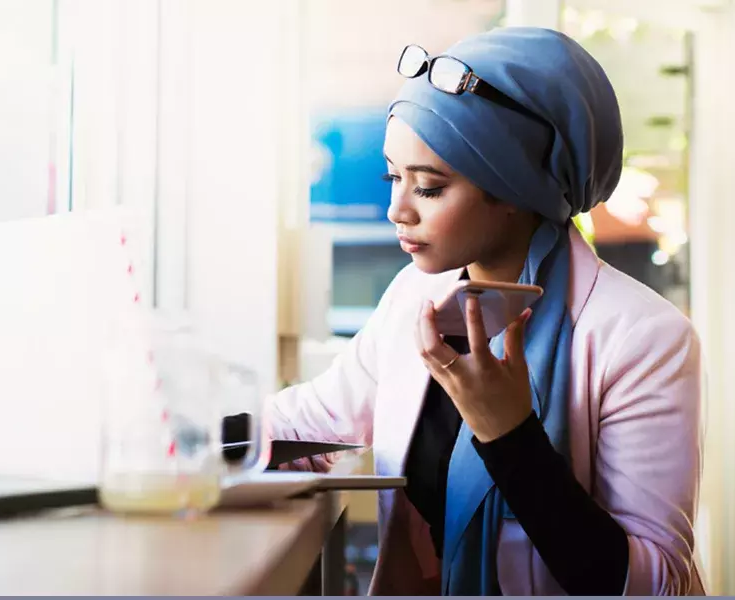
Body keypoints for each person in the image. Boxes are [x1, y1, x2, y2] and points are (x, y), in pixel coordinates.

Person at [265, 27, 704, 596]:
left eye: (428, 188)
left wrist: (510, 435)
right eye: (392, 177)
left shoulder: (646, 339)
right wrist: (184, 434)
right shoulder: (411, 299)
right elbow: (308, 425)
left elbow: (658, 584)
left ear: (516, 188)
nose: (396, 209)